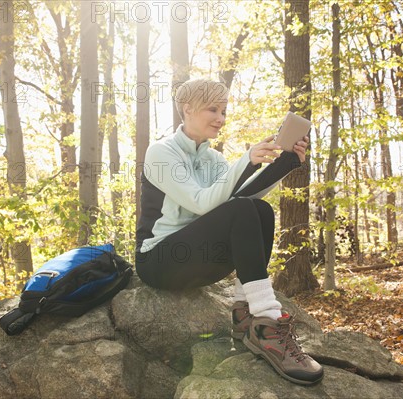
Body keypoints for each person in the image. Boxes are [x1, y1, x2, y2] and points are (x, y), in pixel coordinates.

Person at [135, 78, 323, 385]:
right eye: (213, 109)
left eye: (224, 110)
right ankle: (269, 324)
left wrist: (287, 162)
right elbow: (201, 202)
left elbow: (244, 199)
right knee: (241, 209)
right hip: (160, 262)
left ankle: (245, 315)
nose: (221, 118)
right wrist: (246, 160)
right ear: (188, 109)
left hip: (198, 260)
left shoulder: (215, 159)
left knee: (259, 210)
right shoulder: (161, 153)